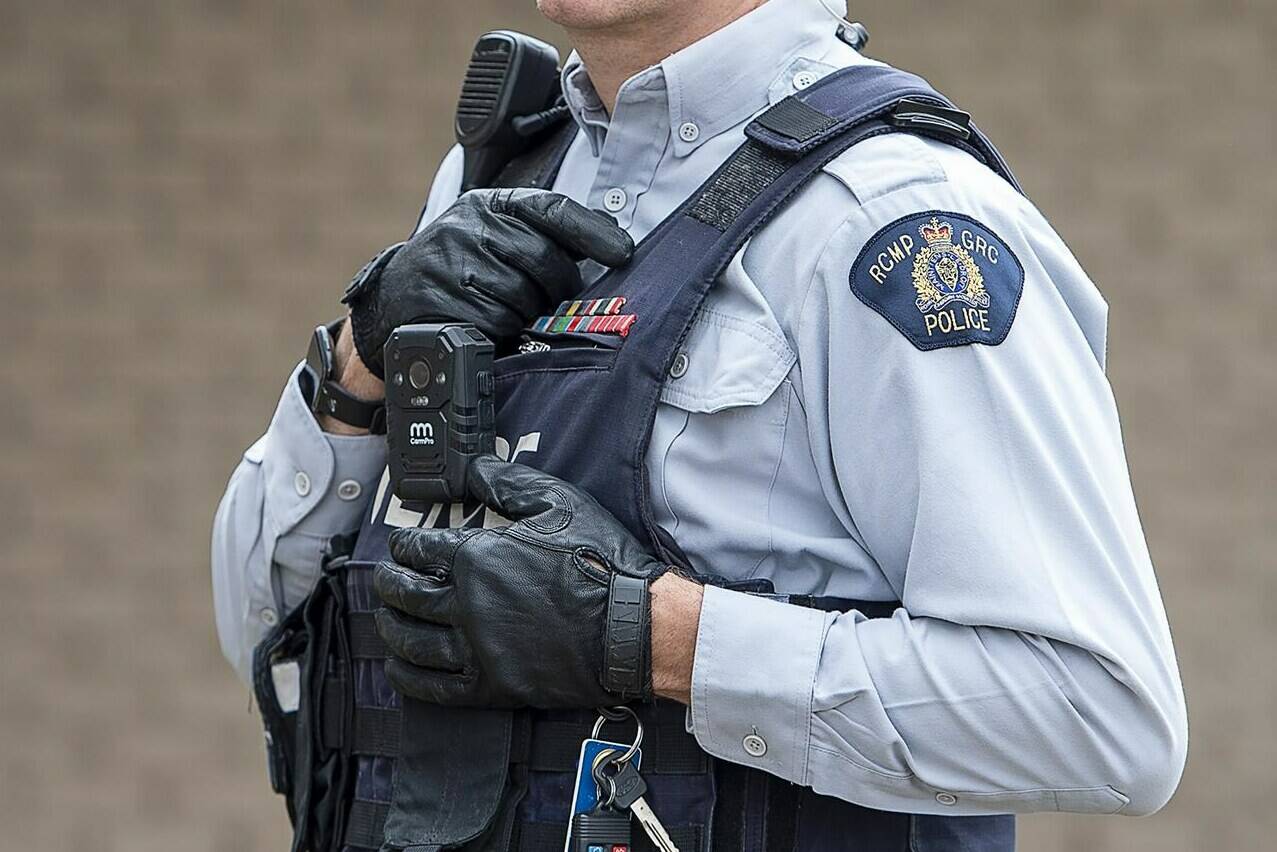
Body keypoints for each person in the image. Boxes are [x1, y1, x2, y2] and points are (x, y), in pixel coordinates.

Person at [212, 1, 1187, 850]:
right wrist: (360, 355)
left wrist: (652, 638)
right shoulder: (491, 175)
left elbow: (1097, 718)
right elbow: (266, 626)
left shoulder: (892, 216)